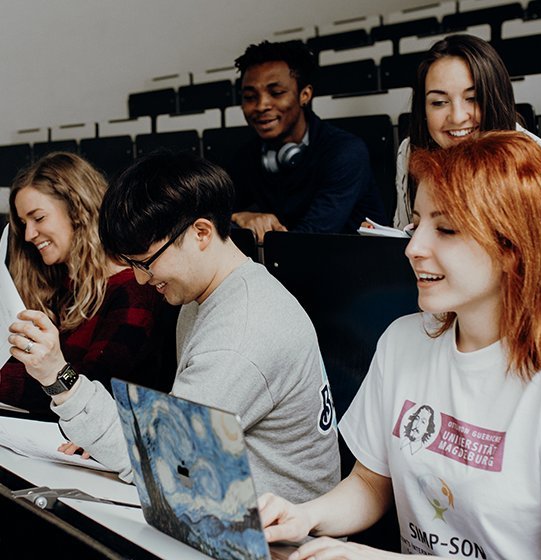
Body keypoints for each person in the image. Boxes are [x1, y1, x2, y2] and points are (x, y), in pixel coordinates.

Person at [258, 131, 541, 559]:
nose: (414, 248)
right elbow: (370, 483)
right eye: (416, 225)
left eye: (447, 229)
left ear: (513, 247)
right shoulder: (403, 339)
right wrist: (305, 516)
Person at [8, 151, 341, 503]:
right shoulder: (214, 292)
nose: (140, 278)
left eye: (147, 263)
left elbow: (161, 465)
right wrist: (115, 433)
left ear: (201, 233)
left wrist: (59, 378)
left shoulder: (238, 335)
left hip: (282, 541)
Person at [1, 152, 177, 416]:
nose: (28, 235)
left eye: (38, 218)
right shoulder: (59, 285)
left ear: (78, 209)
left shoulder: (134, 290)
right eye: (24, 223)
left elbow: (94, 388)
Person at [392, 33, 541, 229]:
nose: (457, 117)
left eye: (472, 98)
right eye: (439, 102)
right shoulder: (410, 150)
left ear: (495, 99)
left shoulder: (538, 162)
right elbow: (404, 232)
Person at [229, 40, 387, 242]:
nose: (261, 106)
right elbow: (211, 215)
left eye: (276, 93)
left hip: (350, 264)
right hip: (289, 264)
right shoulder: (247, 156)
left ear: (305, 95)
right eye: (250, 97)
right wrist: (238, 216)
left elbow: (310, 238)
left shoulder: (346, 151)